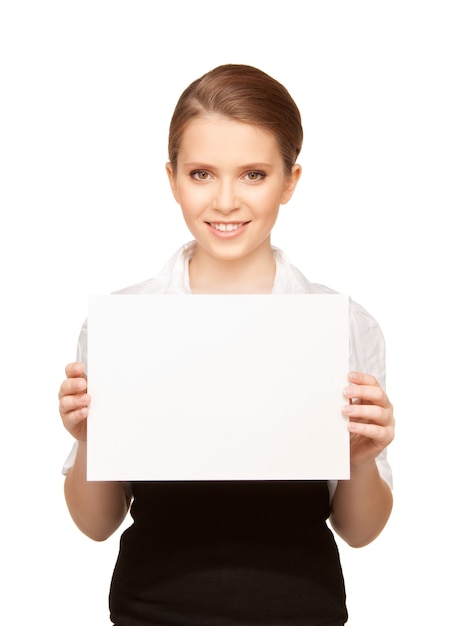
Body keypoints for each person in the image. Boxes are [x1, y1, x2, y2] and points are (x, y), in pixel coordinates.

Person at [59, 64, 395, 626]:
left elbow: (359, 532)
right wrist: (91, 440)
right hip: (151, 609)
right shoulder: (126, 322)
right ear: (172, 179)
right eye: (201, 173)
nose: (225, 201)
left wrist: (360, 461)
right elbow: (96, 525)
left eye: (254, 175)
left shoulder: (345, 325)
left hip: (301, 609)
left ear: (291, 180)